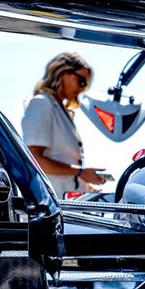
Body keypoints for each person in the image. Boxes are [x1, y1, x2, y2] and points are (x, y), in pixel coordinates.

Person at [22, 52, 108, 196]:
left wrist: (84, 186)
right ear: (63, 73)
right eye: (81, 81)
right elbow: (34, 159)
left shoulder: (59, 109)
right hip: (52, 203)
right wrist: (81, 172)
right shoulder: (42, 103)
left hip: (67, 202)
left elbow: (63, 163)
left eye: (85, 85)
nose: (82, 88)